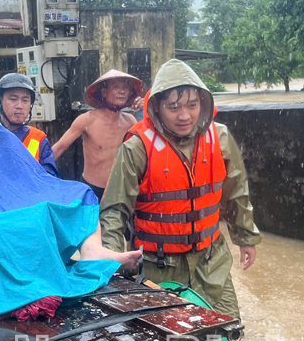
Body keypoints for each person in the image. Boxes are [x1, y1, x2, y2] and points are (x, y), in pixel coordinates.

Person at [0, 62, 141, 338]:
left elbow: (34, 180)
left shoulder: (3, 137)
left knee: (79, 194)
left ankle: (93, 251)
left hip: (8, 206)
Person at [100, 59, 261, 319]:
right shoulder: (136, 147)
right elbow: (114, 210)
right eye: (173, 107)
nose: (184, 115)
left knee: (228, 331)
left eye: (192, 105)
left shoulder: (219, 138)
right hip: (158, 266)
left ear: (203, 104)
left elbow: (236, 193)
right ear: (157, 107)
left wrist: (246, 238)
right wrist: (112, 259)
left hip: (211, 259)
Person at [52, 70, 145, 200]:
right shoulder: (87, 120)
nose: (122, 91)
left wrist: (143, 114)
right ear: (104, 92)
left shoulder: (131, 121)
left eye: (125, 88)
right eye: (116, 87)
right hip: (92, 189)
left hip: (120, 190)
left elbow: (146, 147)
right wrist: (37, 172)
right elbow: (59, 147)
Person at [0, 73, 59, 177]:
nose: (19, 106)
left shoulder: (38, 138)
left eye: (25, 100)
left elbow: (50, 181)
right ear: (0, 101)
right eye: (13, 99)